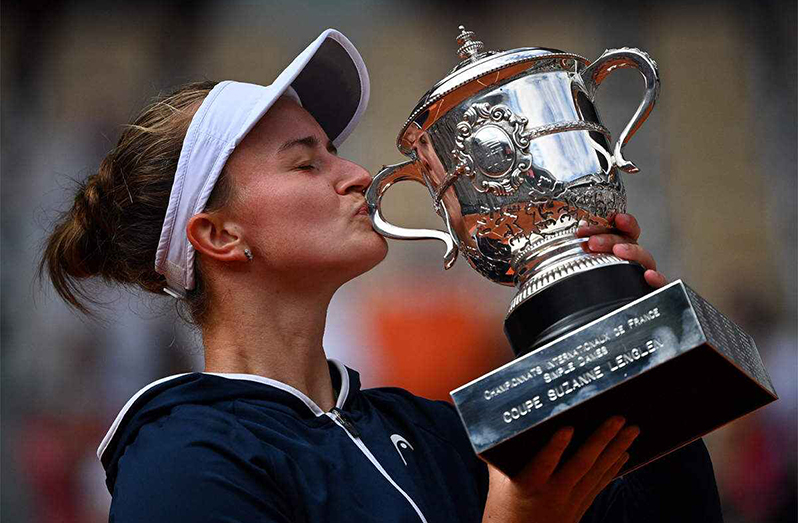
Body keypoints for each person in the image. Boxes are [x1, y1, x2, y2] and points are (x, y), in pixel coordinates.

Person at [40, 29, 722, 522]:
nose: (358, 175)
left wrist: (632, 351)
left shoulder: (431, 427)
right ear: (219, 235)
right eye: (307, 162)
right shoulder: (182, 459)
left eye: (334, 151)